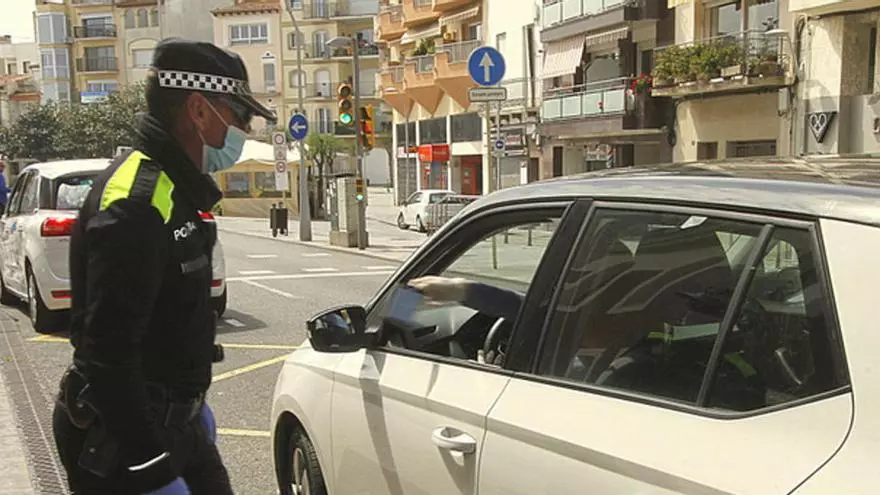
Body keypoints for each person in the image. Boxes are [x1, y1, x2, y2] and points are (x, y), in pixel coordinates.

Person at [52, 38, 276, 495]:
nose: (244, 130)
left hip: (175, 424)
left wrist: (191, 409)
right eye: (239, 115)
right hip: (126, 444)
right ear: (199, 111)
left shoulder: (174, 188)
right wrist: (148, 464)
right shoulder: (135, 202)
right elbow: (107, 351)